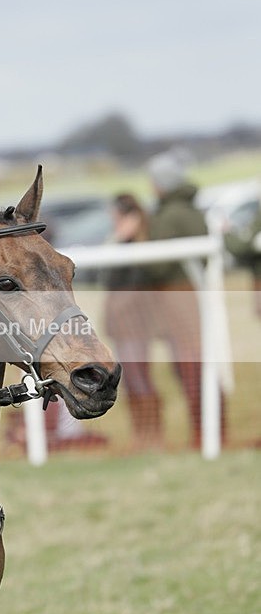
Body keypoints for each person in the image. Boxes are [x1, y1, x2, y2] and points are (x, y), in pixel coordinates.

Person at [144, 148, 223, 449]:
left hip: (178, 301)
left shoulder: (169, 215)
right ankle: (211, 432)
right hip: (192, 298)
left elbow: (157, 266)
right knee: (200, 368)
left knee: (190, 370)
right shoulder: (191, 210)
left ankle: (204, 434)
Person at [103, 193, 163, 447]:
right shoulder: (121, 246)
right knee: (131, 382)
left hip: (136, 325)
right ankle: (142, 435)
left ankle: (153, 436)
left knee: (140, 380)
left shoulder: (140, 248)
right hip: (123, 326)